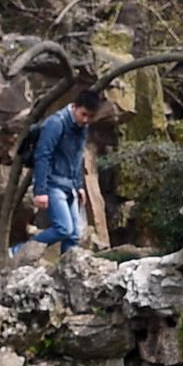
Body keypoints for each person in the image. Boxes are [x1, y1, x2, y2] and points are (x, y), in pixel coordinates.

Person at [24, 78, 112, 250]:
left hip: (69, 184)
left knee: (74, 235)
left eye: (91, 117)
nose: (86, 120)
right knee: (64, 228)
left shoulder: (82, 128)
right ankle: (20, 252)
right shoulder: (56, 123)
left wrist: (79, 186)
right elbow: (43, 156)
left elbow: (77, 157)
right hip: (53, 182)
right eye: (83, 114)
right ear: (75, 107)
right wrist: (40, 191)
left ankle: (67, 272)